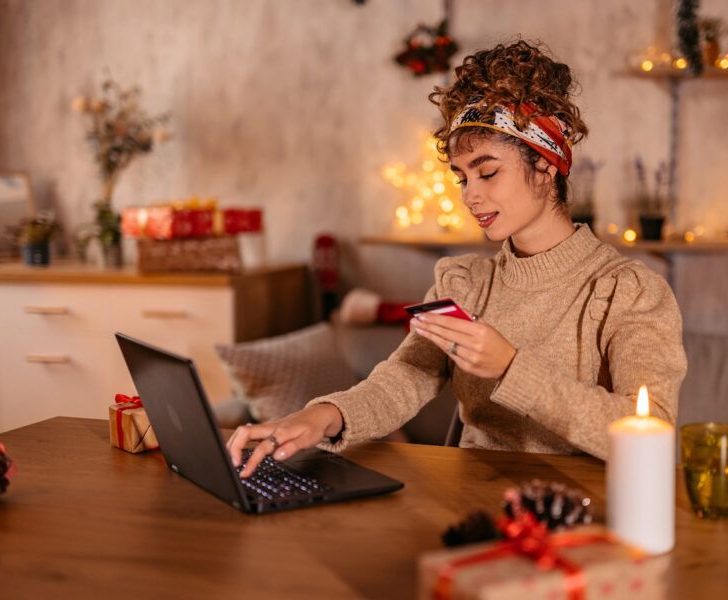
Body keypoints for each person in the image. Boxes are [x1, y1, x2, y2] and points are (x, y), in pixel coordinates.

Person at [229, 40, 687, 477]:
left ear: (547, 167)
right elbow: (406, 377)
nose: (472, 196)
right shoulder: (464, 281)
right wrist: (324, 415)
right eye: (462, 178)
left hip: (579, 521)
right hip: (470, 509)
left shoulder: (626, 291)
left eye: (487, 172)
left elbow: (655, 432)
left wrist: (512, 367)